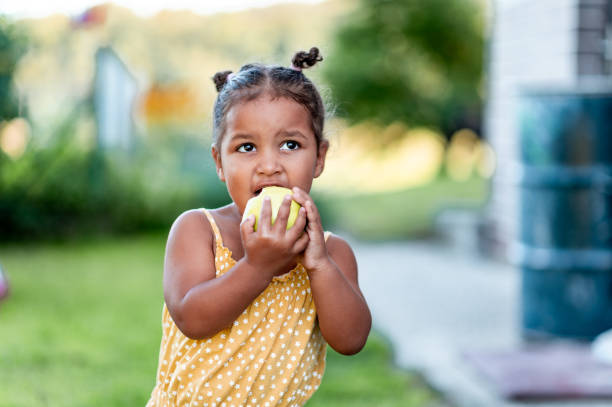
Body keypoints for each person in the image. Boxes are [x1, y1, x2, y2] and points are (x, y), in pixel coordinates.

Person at [147, 47, 372, 407]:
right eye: (247, 147)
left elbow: (351, 340)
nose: (269, 166)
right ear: (220, 162)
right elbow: (192, 317)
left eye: (289, 144)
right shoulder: (198, 231)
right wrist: (258, 265)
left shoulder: (332, 253)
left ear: (320, 157)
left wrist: (319, 266)